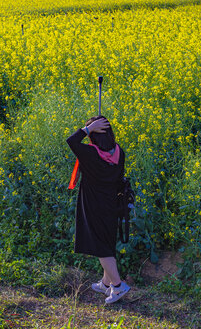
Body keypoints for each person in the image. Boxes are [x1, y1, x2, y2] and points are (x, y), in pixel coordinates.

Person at [66, 116, 131, 304]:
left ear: (92, 136)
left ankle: (118, 287)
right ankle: (105, 283)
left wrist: (88, 128)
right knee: (107, 241)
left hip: (93, 204)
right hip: (112, 204)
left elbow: (71, 141)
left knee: (101, 247)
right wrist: (93, 128)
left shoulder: (90, 154)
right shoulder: (120, 152)